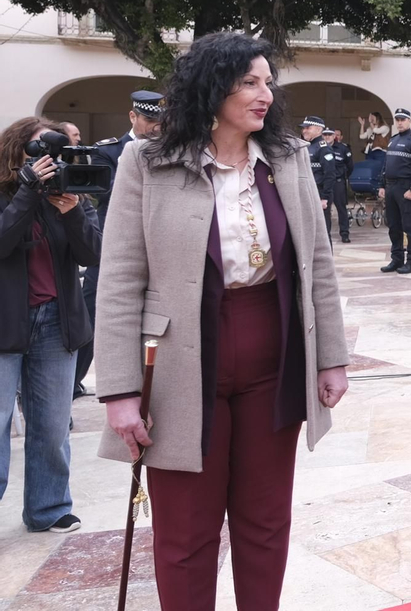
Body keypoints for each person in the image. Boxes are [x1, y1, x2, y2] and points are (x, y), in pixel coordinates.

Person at [94, 30, 349, 609]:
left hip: (272, 350)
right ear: (212, 89)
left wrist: (331, 358)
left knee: (265, 520)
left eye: (268, 82)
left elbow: (317, 263)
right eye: (248, 82)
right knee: (186, 530)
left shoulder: (288, 157)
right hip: (179, 360)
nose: (265, 94)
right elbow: (120, 280)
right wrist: (120, 390)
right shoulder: (148, 160)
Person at [0, 116, 102, 535]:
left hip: (56, 322)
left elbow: (93, 254)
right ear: (17, 151)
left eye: (55, 152)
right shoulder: (8, 193)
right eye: (40, 150)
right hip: (5, 323)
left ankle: (49, 507)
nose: (50, 160)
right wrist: (26, 191)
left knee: (53, 424)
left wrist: (74, 212)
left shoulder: (69, 191)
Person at [79, 89, 163, 398]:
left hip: (157, 242)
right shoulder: (110, 151)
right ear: (133, 116)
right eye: (149, 120)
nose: (155, 127)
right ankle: (74, 380)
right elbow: (109, 193)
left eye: (160, 122)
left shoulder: (170, 150)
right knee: (94, 313)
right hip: (112, 245)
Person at [378, 108, 411, 274]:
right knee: (393, 226)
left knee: (410, 227)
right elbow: (386, 164)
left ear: (409, 121)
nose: (399, 122)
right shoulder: (393, 139)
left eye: (403, 119)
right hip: (391, 187)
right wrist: (382, 185)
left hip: (405, 188)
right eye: (397, 119)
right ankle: (397, 259)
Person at [302, 116, 332, 245]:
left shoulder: (323, 148)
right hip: (308, 191)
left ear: (319, 129)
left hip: (319, 193)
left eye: (308, 128)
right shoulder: (307, 146)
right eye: (304, 128)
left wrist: (325, 197)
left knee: (322, 231)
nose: (304, 131)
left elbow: (329, 174)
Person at [320, 127, 353, 243]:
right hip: (324, 183)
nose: (327, 137)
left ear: (334, 136)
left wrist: (342, 176)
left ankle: (344, 234)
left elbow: (350, 166)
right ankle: (325, 235)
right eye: (325, 135)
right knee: (325, 209)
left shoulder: (343, 148)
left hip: (338, 182)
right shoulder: (320, 148)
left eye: (330, 135)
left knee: (341, 208)